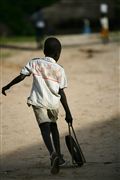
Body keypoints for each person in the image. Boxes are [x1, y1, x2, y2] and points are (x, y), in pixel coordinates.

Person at [2, 37, 73, 174]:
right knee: (54, 127)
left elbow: (22, 76)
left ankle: (52, 154)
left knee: (44, 128)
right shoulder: (60, 69)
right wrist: (68, 113)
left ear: (44, 51)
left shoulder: (35, 62)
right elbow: (61, 92)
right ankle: (59, 157)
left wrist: (8, 86)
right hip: (53, 103)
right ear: (58, 54)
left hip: (38, 102)